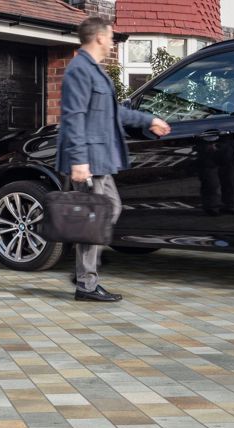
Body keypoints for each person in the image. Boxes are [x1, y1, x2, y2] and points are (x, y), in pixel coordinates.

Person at [58, 15, 169, 302]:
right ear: (98, 37)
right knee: (95, 219)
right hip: (89, 160)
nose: (111, 41)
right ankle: (86, 283)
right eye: (110, 36)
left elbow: (114, 112)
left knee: (108, 211)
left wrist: (148, 120)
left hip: (101, 160)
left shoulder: (95, 71)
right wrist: (78, 160)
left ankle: (85, 268)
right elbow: (73, 117)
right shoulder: (79, 70)